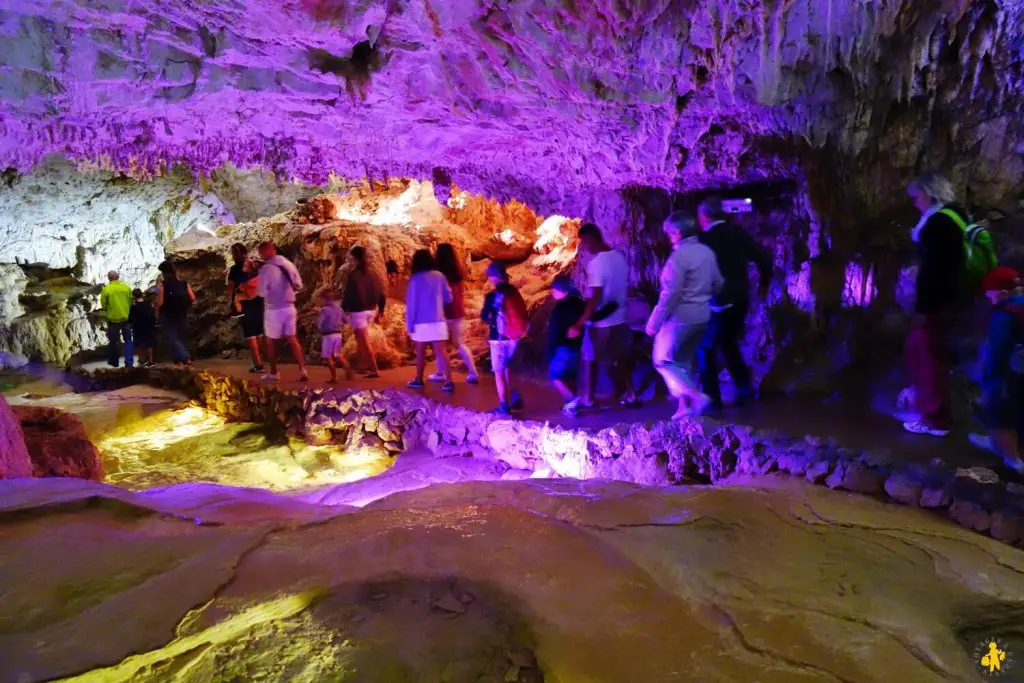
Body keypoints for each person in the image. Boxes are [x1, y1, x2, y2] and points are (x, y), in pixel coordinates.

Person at [901, 172, 967, 436]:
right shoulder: (955, 217)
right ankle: (930, 411)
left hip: (938, 303)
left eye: (916, 197)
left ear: (929, 193)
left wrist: (923, 308)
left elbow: (934, 271)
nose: (914, 203)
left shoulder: (939, 223)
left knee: (929, 358)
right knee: (919, 351)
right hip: (948, 299)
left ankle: (936, 419)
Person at [695, 196, 772, 411]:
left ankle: (712, 400)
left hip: (718, 303)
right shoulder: (738, 234)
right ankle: (744, 388)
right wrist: (764, 283)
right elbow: (763, 257)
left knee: (704, 348)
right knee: (728, 343)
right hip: (740, 300)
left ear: (705, 217)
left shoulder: (703, 240)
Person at [646, 213, 724, 420]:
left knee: (663, 361)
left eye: (670, 233)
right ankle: (684, 408)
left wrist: (654, 322)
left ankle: (696, 396)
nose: (669, 237)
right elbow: (718, 282)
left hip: (680, 317)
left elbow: (670, 294)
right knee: (682, 362)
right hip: (702, 315)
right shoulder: (706, 252)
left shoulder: (679, 258)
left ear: (678, 232)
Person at [565, 223, 633, 413]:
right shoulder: (620, 258)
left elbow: (595, 297)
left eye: (584, 242)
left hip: (602, 322)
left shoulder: (597, 264)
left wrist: (579, 323)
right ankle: (630, 393)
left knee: (595, 357)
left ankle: (590, 397)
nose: (584, 247)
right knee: (617, 357)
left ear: (591, 239)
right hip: (620, 317)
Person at [968, 267, 1024, 474]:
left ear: (1002, 293)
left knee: (1000, 416)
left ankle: (1012, 461)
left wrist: (988, 383)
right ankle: (1009, 448)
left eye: (990, 293)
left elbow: (996, 352)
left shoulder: (1006, 314)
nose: (988, 297)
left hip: (1010, 375)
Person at [481, 260, 529, 415]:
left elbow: (485, 316)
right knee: (508, 367)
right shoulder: (514, 291)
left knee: (499, 371)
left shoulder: (493, 295)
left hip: (499, 338)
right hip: (514, 336)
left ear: (494, 277)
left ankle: (503, 405)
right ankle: (514, 396)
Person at [256, 241, 308, 382]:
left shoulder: (266, 269)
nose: (260, 255)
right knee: (292, 339)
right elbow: (299, 285)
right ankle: (302, 370)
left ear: (266, 251)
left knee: (271, 342)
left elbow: (261, 292)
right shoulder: (288, 264)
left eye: (261, 252)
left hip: (273, 309)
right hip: (290, 308)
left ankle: (274, 373)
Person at [429, 243, 480, 384]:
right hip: (457, 312)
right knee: (459, 343)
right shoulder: (458, 274)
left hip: (443, 314)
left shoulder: (438, 276)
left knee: (440, 345)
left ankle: (441, 373)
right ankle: (473, 372)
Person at [405, 249, 454, 392]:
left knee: (420, 352)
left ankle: (419, 379)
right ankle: (449, 381)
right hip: (438, 320)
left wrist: (410, 324)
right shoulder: (440, 276)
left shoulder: (415, 279)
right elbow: (448, 297)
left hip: (421, 322)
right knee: (442, 352)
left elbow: (411, 304)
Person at [342, 246, 385, 379]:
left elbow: (348, 294)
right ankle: (362, 365)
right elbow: (380, 292)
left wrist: (344, 309)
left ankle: (374, 369)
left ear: (354, 258)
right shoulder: (371, 273)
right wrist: (381, 309)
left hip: (358, 311)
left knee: (364, 340)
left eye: (350, 257)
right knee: (359, 338)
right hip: (370, 309)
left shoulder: (353, 274)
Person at [546, 275, 586, 413]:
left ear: (565, 292)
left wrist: (550, 351)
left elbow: (554, 331)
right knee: (570, 376)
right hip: (576, 346)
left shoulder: (559, 309)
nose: (553, 292)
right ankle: (570, 407)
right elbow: (593, 315)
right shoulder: (580, 304)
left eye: (556, 290)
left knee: (554, 375)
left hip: (562, 347)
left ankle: (572, 399)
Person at [226, 243, 264, 373]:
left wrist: (230, 302)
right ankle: (261, 359)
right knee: (259, 331)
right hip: (258, 300)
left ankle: (258, 363)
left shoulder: (235, 269)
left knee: (250, 334)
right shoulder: (255, 265)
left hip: (244, 302)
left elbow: (231, 288)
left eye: (234, 253)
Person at [155, 261, 196, 366]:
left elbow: (160, 303)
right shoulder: (184, 283)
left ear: (165, 272)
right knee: (179, 336)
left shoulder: (163, 285)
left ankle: (186, 357)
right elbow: (192, 297)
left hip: (168, 313)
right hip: (182, 312)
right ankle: (177, 361)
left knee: (171, 337)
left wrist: (157, 314)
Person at [317, 290, 352, 384]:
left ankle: (334, 377)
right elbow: (346, 321)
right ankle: (348, 370)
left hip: (328, 335)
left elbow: (319, 323)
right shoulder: (339, 309)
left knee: (328, 357)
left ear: (325, 299)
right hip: (338, 334)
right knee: (338, 354)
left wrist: (318, 320)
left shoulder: (324, 310)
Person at [100, 270, 134, 368]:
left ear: (109, 278)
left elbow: (104, 305)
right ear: (118, 277)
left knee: (113, 341)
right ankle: (129, 361)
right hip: (126, 318)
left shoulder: (106, 290)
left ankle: (114, 361)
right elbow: (131, 301)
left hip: (113, 320)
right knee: (128, 340)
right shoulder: (126, 287)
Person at [129, 288, 156, 367]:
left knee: (138, 344)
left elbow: (131, 318)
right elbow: (152, 314)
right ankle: (151, 360)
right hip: (148, 326)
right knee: (149, 343)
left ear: (134, 296)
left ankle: (141, 360)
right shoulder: (147, 304)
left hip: (138, 327)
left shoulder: (134, 307)